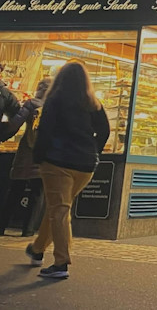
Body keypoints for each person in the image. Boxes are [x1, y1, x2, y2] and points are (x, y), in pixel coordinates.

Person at [25, 62, 109, 279]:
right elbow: (105, 130)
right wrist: (93, 150)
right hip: (85, 166)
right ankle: (37, 248)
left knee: (59, 210)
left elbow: (45, 132)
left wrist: (39, 158)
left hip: (57, 162)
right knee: (58, 208)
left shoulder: (55, 100)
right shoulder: (93, 103)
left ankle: (61, 262)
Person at [0, 78, 51, 237]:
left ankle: (2, 225)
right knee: (37, 193)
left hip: (26, 152)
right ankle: (28, 230)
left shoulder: (30, 104)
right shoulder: (56, 107)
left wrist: (3, 136)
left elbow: (15, 123)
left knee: (15, 190)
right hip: (44, 153)